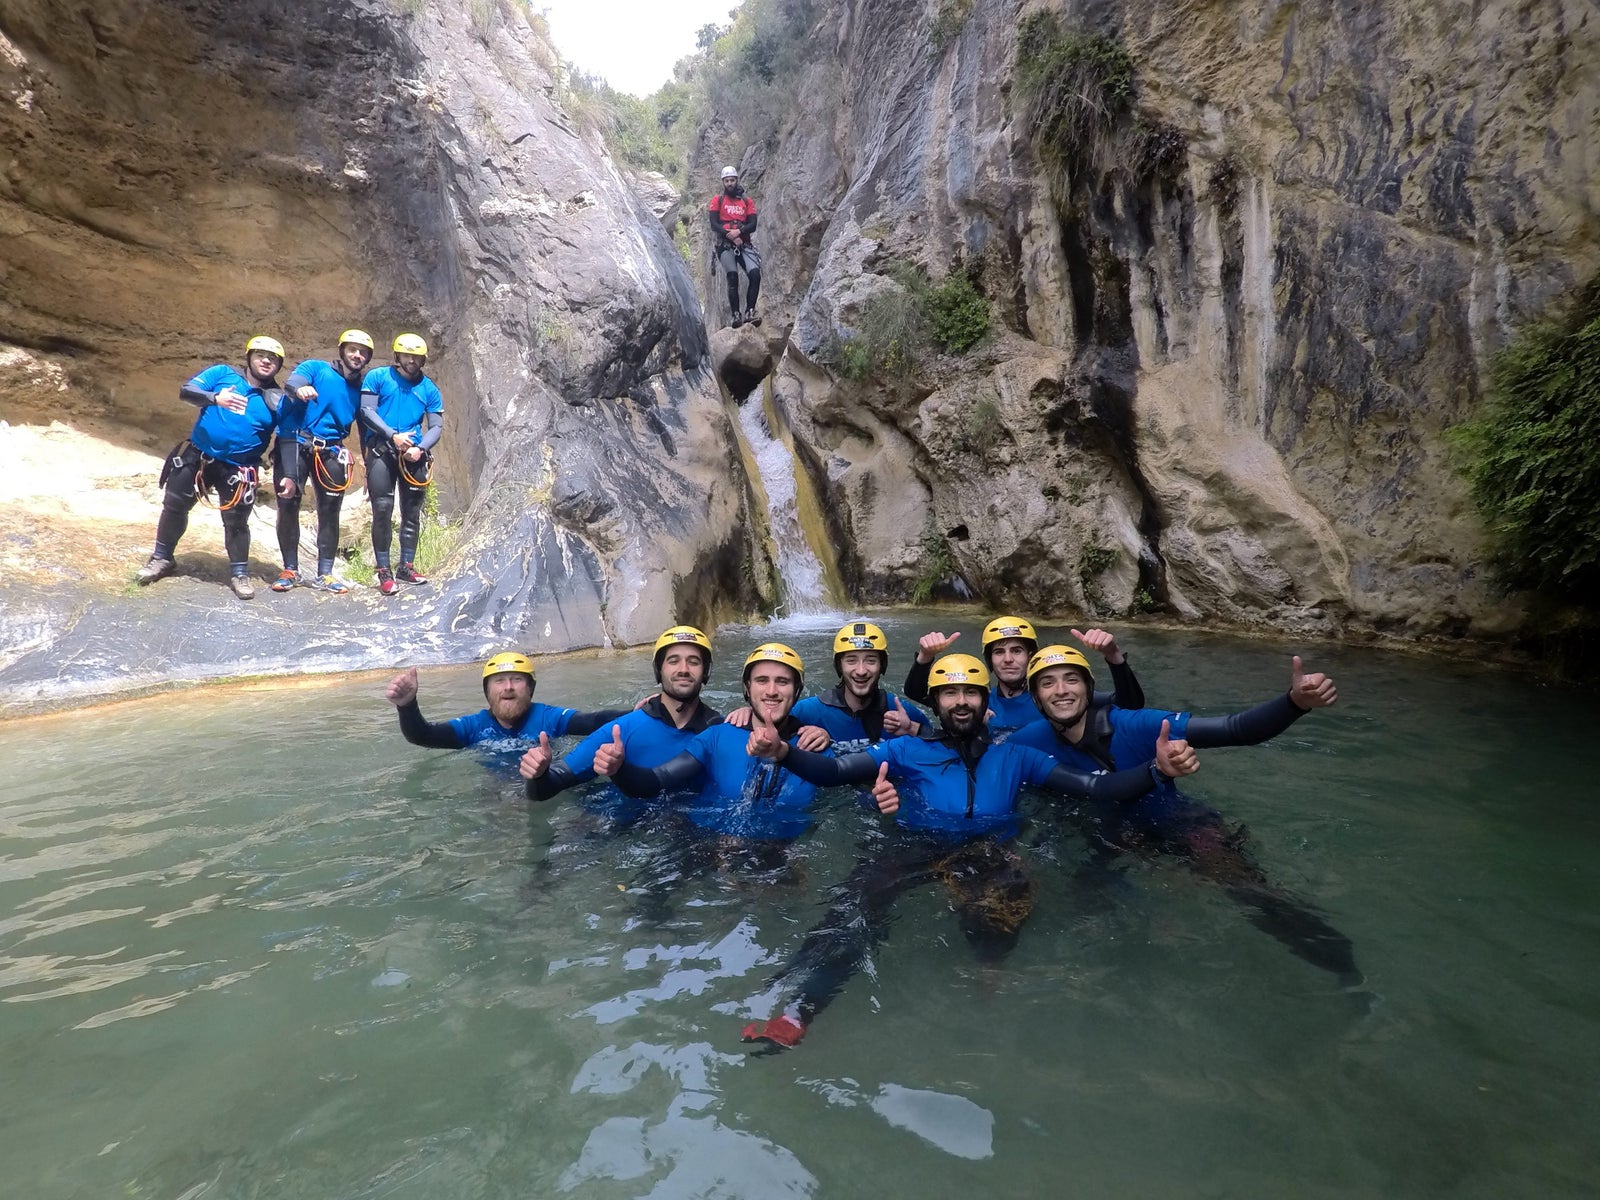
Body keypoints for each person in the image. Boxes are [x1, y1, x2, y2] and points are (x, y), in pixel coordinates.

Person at [737, 652, 1197, 1048]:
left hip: (987, 848)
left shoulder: (1017, 755)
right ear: (935, 703)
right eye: (950, 694)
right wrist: (783, 752)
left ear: (985, 702)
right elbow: (832, 772)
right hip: (918, 842)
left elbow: (1099, 789)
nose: (961, 701)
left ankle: (989, 967)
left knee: (1000, 905)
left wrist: (1156, 771)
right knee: (857, 907)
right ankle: (799, 1007)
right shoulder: (905, 751)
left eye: (971, 693)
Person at [1008, 645, 1362, 985]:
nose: (1061, 691)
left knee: (1245, 888)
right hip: (1102, 835)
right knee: (1088, 908)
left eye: (1071, 679)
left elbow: (1234, 729)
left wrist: (1294, 703)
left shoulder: (1133, 724)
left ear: (1089, 687)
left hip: (1174, 821)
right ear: (1036, 698)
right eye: (1047, 682)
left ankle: (1337, 961)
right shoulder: (1026, 741)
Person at [571, 644, 834, 914]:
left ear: (798, 691)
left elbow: (854, 777)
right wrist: (619, 768)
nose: (771, 691)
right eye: (761, 680)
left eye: (783, 682)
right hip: (705, 844)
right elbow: (652, 782)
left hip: (780, 852)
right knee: (643, 906)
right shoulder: (716, 736)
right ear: (746, 688)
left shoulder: (818, 748)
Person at [136, 335, 297, 600]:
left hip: (239, 468)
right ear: (248, 357)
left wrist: (289, 474)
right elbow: (187, 391)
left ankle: (239, 573)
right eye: (260, 355)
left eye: (273, 359)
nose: (266, 361)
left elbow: (288, 438)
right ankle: (162, 557)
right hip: (198, 456)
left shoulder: (277, 399)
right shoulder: (222, 374)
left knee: (236, 522)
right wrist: (214, 398)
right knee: (175, 506)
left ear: (278, 366)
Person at [519, 626, 726, 819]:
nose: (683, 669)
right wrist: (538, 775)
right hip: (624, 825)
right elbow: (553, 783)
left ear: (705, 671)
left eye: (693, 661)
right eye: (673, 661)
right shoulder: (623, 729)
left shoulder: (722, 731)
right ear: (659, 671)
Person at [904, 618, 1145, 739]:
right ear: (990, 661)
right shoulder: (975, 701)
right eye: (999, 652)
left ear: (1032, 656)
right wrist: (926, 656)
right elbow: (916, 693)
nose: (1008, 659)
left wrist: (1113, 656)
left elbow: (1129, 704)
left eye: (1016, 651)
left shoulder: (1057, 699)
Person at [384, 653, 627, 769]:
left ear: (530, 689)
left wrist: (642, 711)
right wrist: (407, 706)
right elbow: (423, 736)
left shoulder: (548, 718)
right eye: (499, 681)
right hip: (496, 799)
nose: (508, 687)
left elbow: (594, 720)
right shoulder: (473, 727)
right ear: (487, 691)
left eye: (516, 680)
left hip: (546, 785)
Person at [269, 329, 375, 594]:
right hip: (295, 443)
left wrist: (368, 462)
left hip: (331, 451)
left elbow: (365, 428)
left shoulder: (361, 389)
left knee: (330, 511)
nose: (357, 355)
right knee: (288, 504)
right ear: (342, 350)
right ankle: (290, 569)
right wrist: (300, 389)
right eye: (352, 349)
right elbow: (293, 383)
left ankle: (325, 574)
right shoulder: (315, 368)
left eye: (363, 352)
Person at [358, 333, 442, 596]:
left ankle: (406, 566)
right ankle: (384, 570)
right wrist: (392, 436)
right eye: (406, 355)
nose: (411, 361)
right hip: (383, 450)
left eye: (416, 357)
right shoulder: (378, 377)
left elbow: (436, 426)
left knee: (411, 512)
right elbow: (367, 411)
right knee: (382, 509)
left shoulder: (429, 388)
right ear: (397, 356)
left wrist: (420, 448)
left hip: (413, 455)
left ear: (423, 360)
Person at [708, 165, 762, 328]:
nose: (730, 183)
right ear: (723, 182)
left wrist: (739, 232)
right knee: (733, 276)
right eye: (727, 181)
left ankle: (750, 312)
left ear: (736, 180)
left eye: (732, 180)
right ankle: (736, 314)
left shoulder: (746, 201)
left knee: (755, 275)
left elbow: (753, 224)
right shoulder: (718, 200)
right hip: (725, 245)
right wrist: (729, 234)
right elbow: (714, 223)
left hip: (743, 243)